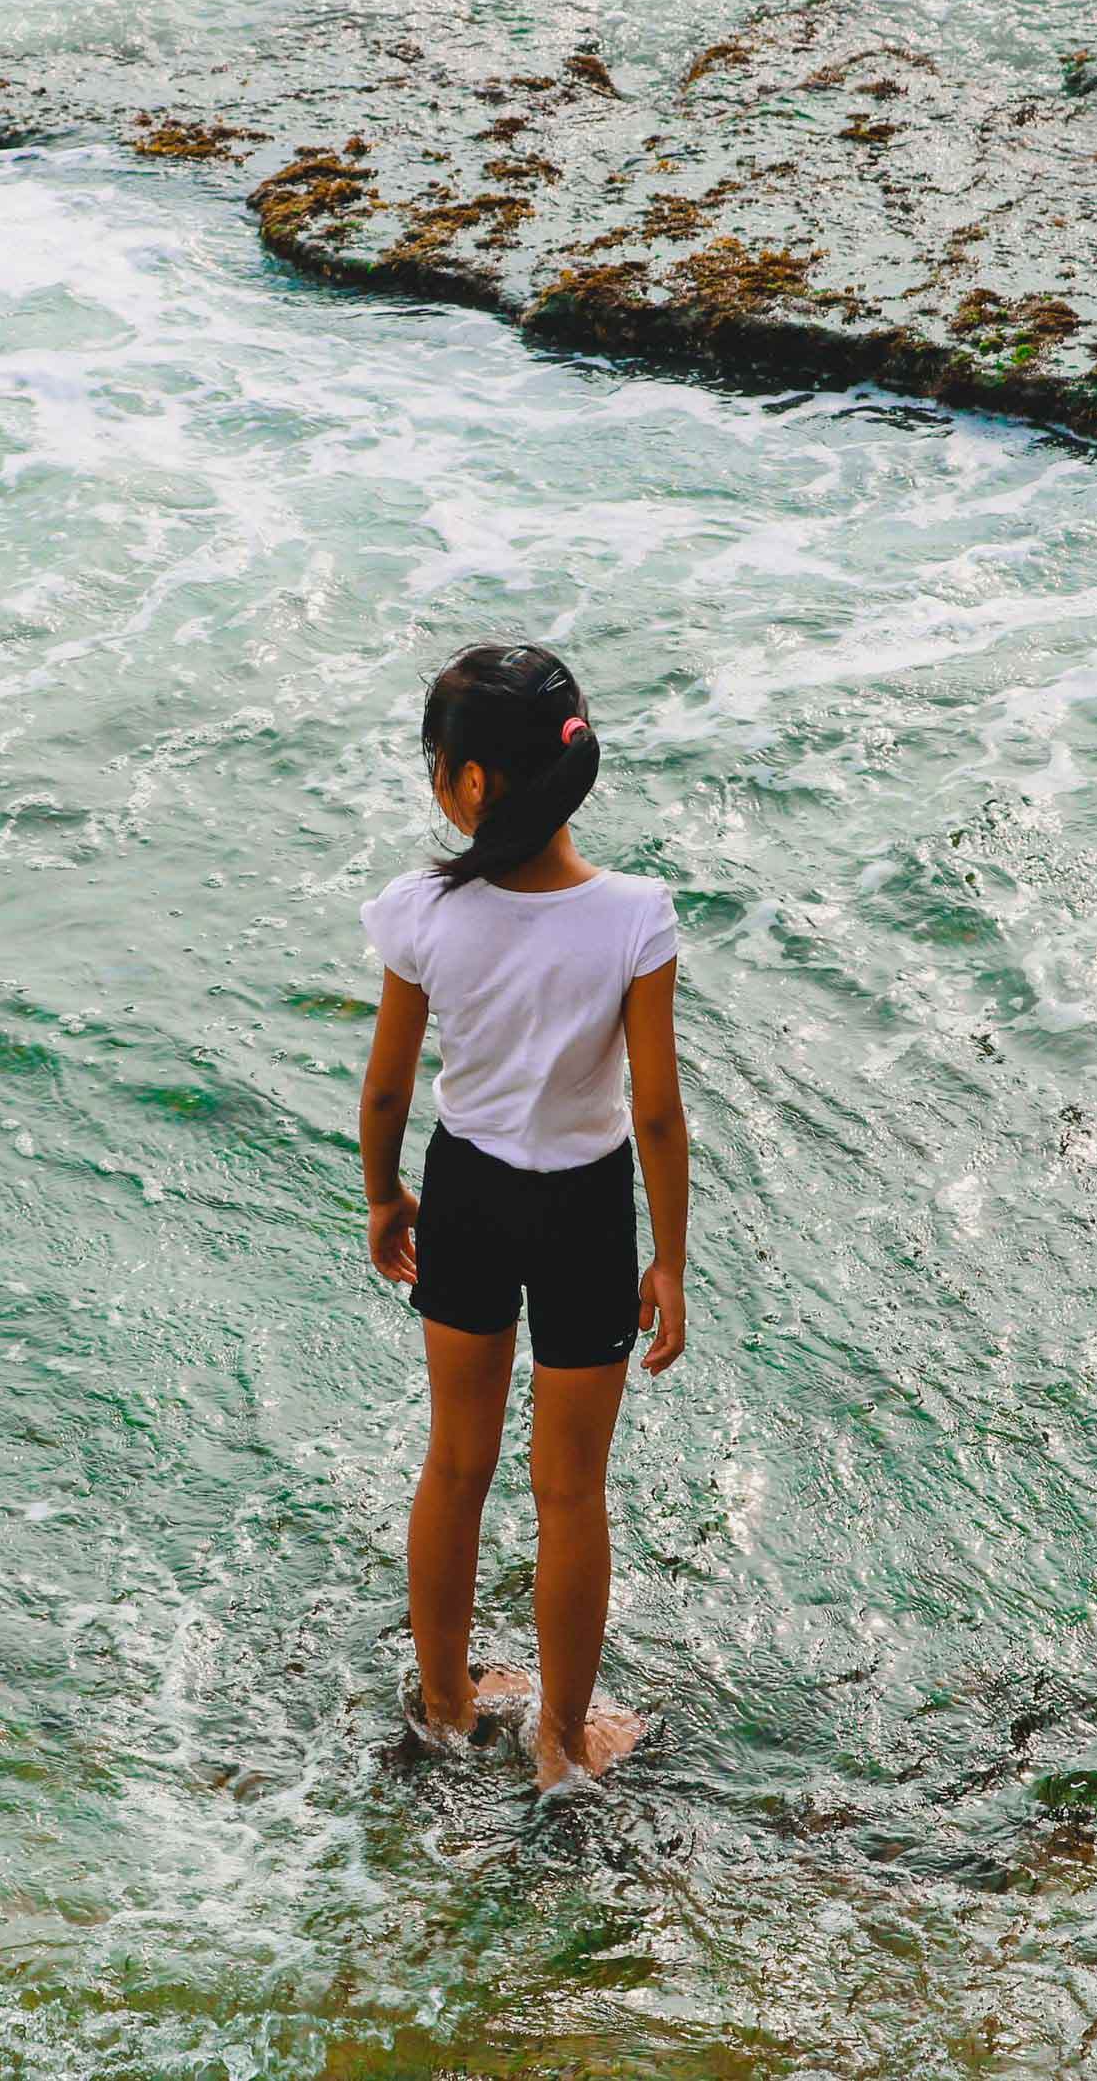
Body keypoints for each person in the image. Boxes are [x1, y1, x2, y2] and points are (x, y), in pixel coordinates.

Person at [358, 640, 689, 1791]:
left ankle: (447, 1704)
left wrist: (384, 1195)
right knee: (571, 1493)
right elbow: (655, 1114)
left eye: (435, 760)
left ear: (473, 786)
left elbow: (391, 1085)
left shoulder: (423, 913)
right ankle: (560, 1745)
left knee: (456, 1464)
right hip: (587, 1211)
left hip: (467, 1191)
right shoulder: (635, 917)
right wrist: (673, 1263)